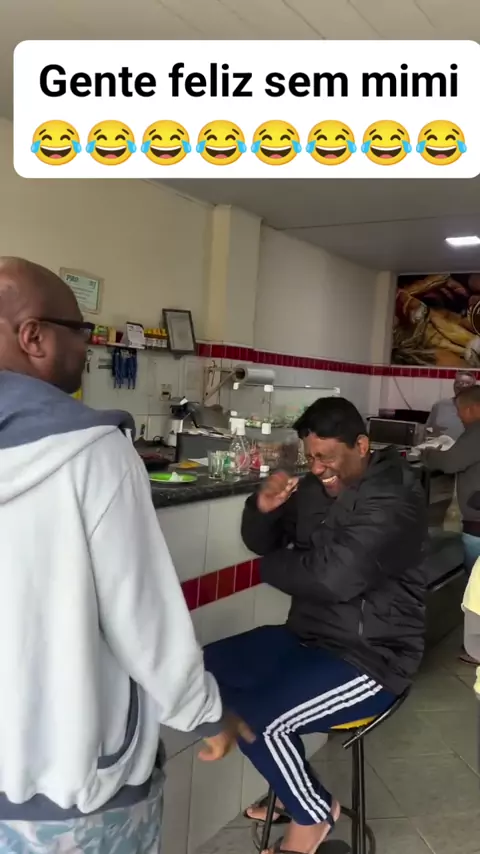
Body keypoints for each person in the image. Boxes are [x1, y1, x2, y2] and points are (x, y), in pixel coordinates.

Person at [0, 257, 247, 854]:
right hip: (74, 786)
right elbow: (142, 615)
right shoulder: (93, 453)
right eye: (78, 330)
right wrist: (203, 711)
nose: (87, 346)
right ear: (33, 336)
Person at [204, 397, 428, 854]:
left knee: (261, 720)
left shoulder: (394, 498)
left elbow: (332, 578)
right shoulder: (313, 488)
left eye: (327, 457)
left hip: (372, 657)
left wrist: (272, 567)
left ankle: (312, 815)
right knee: (203, 666)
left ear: (361, 446)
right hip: (307, 637)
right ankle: (298, 790)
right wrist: (263, 508)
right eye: (312, 457)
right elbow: (262, 542)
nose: (319, 468)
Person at [425, 370, 476, 440]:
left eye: (467, 383)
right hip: (440, 445)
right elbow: (428, 429)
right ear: (454, 386)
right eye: (459, 383)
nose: (462, 385)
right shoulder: (440, 406)